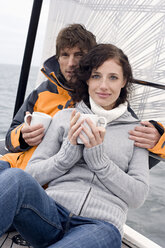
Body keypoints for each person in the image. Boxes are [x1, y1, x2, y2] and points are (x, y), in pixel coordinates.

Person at [0, 44, 149, 248]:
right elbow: (32, 173)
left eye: (113, 77)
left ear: (124, 81)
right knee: (15, 178)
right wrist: (66, 156)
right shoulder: (64, 118)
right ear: (87, 79)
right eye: (96, 76)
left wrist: (100, 163)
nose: (103, 85)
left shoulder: (137, 132)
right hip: (50, 214)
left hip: (100, 226)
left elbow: (137, 197)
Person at [0, 23, 97, 170]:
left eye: (79, 55)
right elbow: (9, 140)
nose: (71, 63)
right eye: (65, 55)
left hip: (47, 179)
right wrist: (22, 136)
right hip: (13, 164)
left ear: (90, 58)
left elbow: (131, 134)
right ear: (58, 58)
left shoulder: (103, 96)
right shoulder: (42, 91)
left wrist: (146, 143)